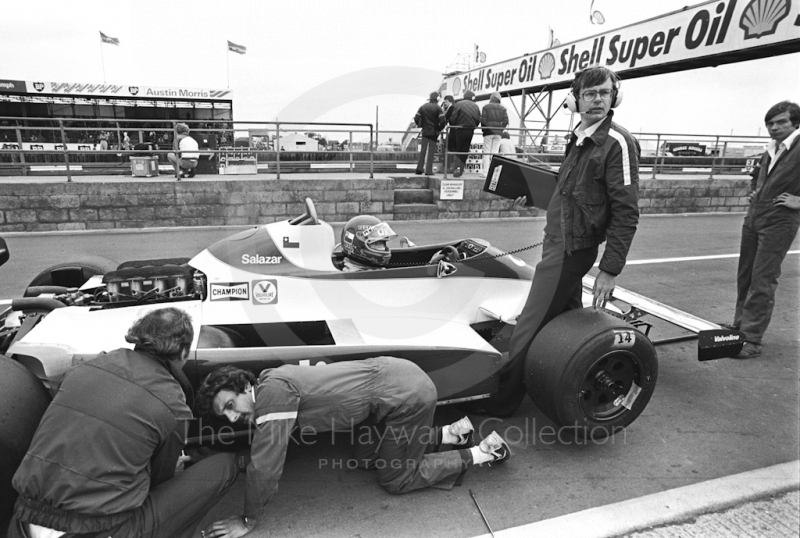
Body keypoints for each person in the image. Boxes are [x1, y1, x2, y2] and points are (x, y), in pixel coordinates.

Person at [194, 358, 511, 538]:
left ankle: (484, 451)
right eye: (227, 415)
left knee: (396, 478)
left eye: (231, 404)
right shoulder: (271, 382)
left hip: (406, 397)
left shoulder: (271, 397)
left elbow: (265, 466)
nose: (234, 416)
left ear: (244, 387)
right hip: (391, 384)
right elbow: (266, 448)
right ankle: (450, 434)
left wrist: (248, 519)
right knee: (366, 455)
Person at [7, 308, 238, 538]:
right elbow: (159, 481)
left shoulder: (83, 369)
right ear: (185, 352)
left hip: (22, 521)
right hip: (97, 530)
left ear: (137, 337)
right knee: (224, 466)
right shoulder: (173, 406)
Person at [499, 66, 640, 414]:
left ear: (614, 98)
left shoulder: (617, 142)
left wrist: (610, 269)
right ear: (575, 100)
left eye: (604, 93)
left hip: (569, 250)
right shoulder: (578, 137)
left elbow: (627, 212)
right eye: (589, 93)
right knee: (568, 319)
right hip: (557, 241)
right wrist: (530, 197)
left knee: (530, 322)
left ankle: (502, 399)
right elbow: (571, 196)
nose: (596, 99)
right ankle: (571, 376)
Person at [729, 100, 800, 359]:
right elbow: (759, 176)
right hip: (755, 218)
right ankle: (739, 325)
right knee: (745, 275)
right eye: (770, 123)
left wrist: (799, 201)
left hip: (780, 220)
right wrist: (755, 194)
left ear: (795, 123)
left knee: (763, 279)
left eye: (781, 122)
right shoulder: (770, 150)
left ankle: (752, 339)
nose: (774, 127)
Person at [446, 90, 480, 177]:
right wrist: (473, 126)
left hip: (460, 130)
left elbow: (452, 119)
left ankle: (457, 168)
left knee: (458, 149)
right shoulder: (475, 106)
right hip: (470, 130)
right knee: (465, 150)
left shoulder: (458, 104)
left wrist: (454, 125)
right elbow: (478, 120)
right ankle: (461, 170)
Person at [414, 91, 446, 176]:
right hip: (434, 133)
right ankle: (428, 170)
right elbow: (443, 120)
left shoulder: (423, 107)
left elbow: (416, 118)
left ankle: (419, 169)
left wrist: (421, 125)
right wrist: (439, 128)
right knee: (431, 152)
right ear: (437, 99)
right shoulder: (438, 108)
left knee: (423, 151)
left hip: (425, 132)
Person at [480, 92, 509, 177]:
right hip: (498, 133)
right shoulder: (503, 108)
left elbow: (483, 121)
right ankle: (493, 172)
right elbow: (506, 121)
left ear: (491, 98)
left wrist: (484, 130)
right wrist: (500, 129)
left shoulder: (486, 107)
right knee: (495, 152)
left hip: (488, 132)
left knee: (486, 152)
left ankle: (485, 172)